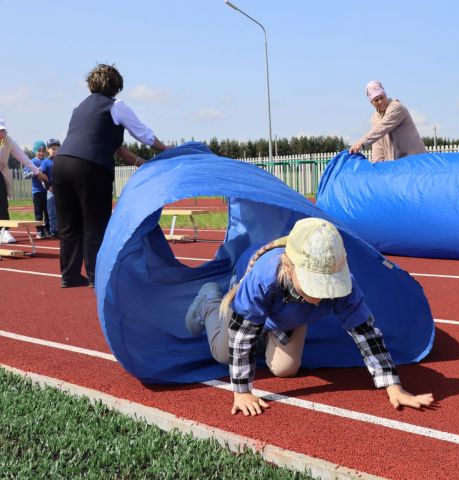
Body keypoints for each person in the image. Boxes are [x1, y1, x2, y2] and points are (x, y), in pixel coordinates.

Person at [185, 217, 434, 416]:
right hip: (250, 297)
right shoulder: (264, 276)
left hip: (289, 316)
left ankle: (270, 330)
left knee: (285, 370)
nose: (319, 297)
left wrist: (393, 386)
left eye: (327, 286)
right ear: (288, 266)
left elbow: (366, 332)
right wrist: (242, 392)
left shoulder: (345, 285)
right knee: (223, 352)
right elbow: (242, 335)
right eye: (314, 285)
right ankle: (210, 299)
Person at [54, 64, 168, 288]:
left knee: (69, 225)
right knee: (94, 224)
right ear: (117, 85)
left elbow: (116, 147)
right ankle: (97, 277)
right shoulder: (117, 106)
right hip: (90, 167)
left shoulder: (79, 109)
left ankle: (70, 276)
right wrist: (166, 151)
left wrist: (141, 163)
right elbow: (144, 134)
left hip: (62, 163)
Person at [349, 80, 427, 162]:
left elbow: (381, 128)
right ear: (371, 102)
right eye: (376, 100)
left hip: (416, 162)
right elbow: (377, 146)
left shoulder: (396, 107)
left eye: (381, 97)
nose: (380, 101)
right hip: (398, 165)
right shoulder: (375, 118)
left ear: (385, 95)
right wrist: (376, 166)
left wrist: (361, 142)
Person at [0, 119, 49, 244]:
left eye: (3, 130)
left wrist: (37, 172)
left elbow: (24, 158)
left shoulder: (8, 142)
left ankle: (3, 230)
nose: (1, 133)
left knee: (2, 199)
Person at [23, 140, 50, 238]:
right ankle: (39, 231)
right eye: (39, 151)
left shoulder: (47, 161)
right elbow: (25, 175)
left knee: (48, 212)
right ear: (35, 151)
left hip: (47, 191)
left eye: (43, 151)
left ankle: (48, 229)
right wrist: (36, 172)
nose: (41, 153)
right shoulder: (31, 162)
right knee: (39, 213)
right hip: (37, 191)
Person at [41, 138, 61, 237]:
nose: (55, 151)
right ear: (48, 150)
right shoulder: (45, 162)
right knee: (52, 211)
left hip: (62, 190)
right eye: (53, 149)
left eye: (57, 149)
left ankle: (62, 229)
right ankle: (54, 230)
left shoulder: (62, 160)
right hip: (52, 190)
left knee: (63, 211)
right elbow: (43, 175)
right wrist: (48, 186)